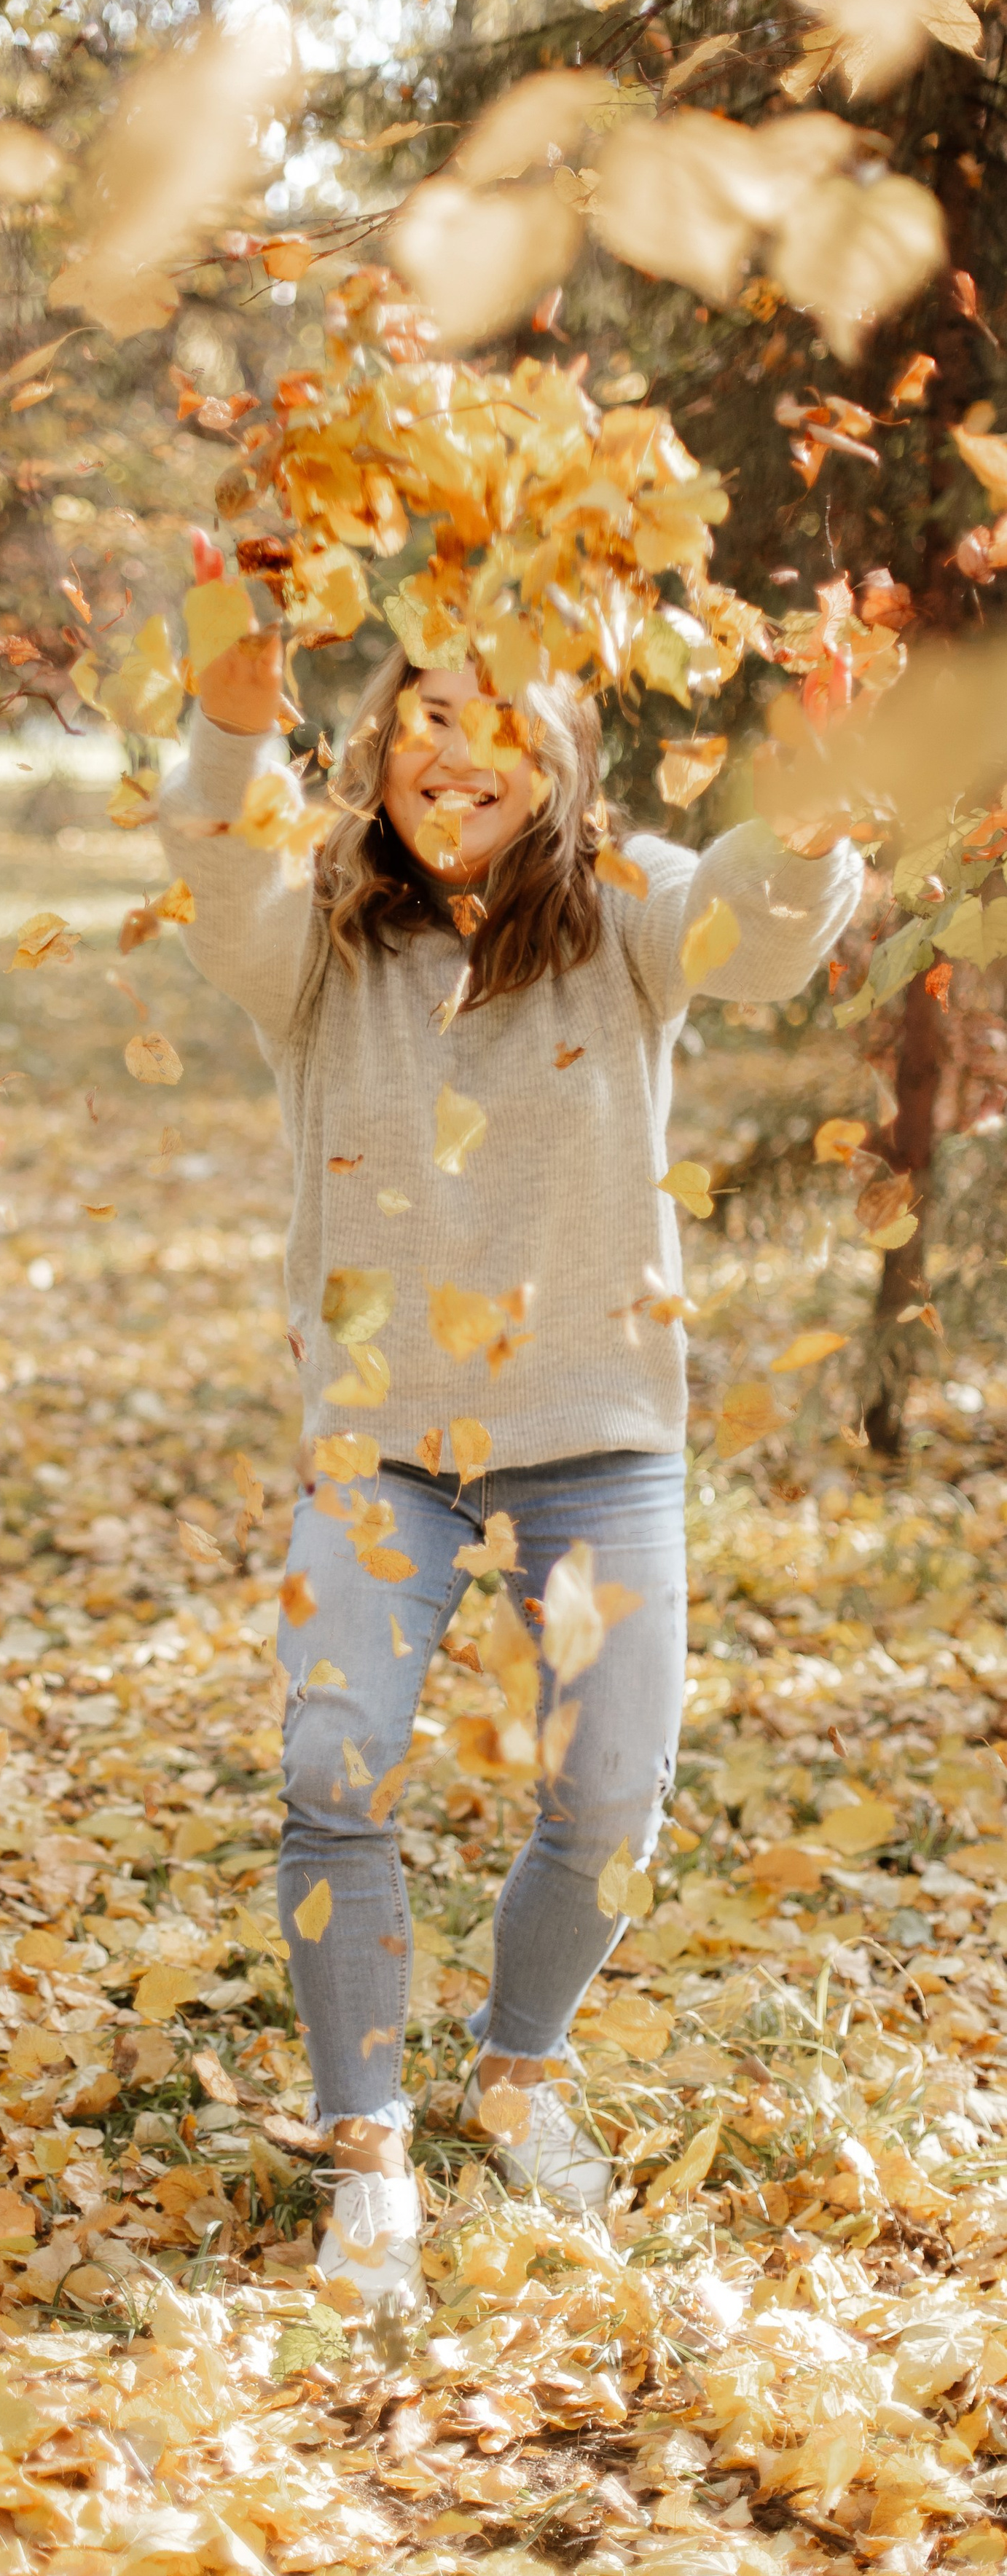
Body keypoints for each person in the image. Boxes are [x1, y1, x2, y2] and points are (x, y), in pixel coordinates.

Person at [162, 632, 861, 2314]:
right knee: (335, 1769)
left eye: (493, 733)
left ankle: (515, 2067)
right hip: (384, 1437)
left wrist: (817, 799)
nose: (453, 758)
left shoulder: (625, 906)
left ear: (551, 760)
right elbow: (216, 854)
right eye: (421, 726)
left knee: (611, 1799)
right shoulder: (317, 932)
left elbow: (763, 931)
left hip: (595, 1423)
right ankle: (365, 2147)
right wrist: (234, 702)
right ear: (376, 753)